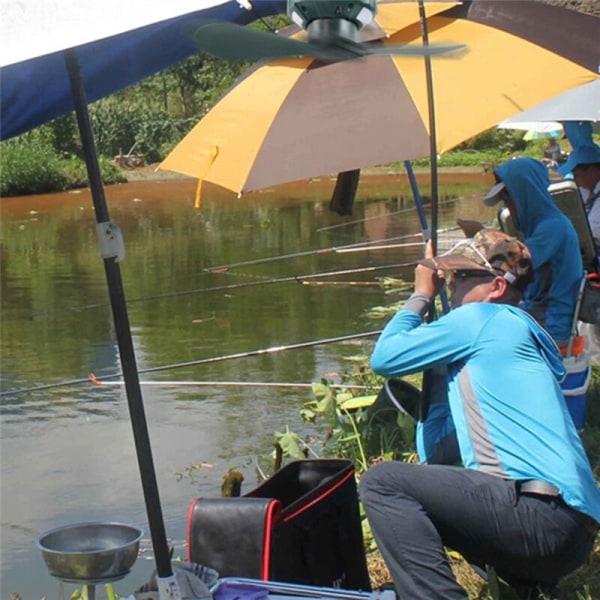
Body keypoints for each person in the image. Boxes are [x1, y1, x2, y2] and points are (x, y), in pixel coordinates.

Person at [359, 230, 600, 599]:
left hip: (539, 515)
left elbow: (386, 357)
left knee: (382, 482)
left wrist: (421, 295)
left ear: (497, 286)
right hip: (572, 532)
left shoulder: (481, 320)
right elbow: (436, 453)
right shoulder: (512, 333)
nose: (451, 285)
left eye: (462, 276)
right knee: (434, 492)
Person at [483, 157, 583, 347]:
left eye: (508, 197)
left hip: (550, 324)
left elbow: (515, 266)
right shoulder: (542, 225)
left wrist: (482, 235)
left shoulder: (552, 227)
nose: (507, 205)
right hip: (536, 314)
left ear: (524, 193)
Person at [557, 144, 600, 252]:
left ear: (592, 171)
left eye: (576, 175)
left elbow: (590, 232)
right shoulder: (591, 191)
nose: (575, 181)